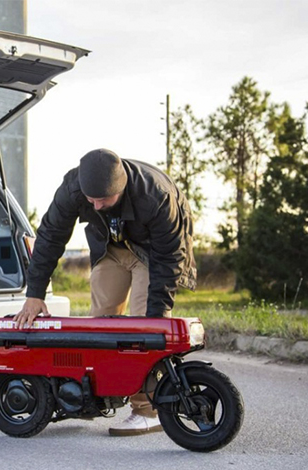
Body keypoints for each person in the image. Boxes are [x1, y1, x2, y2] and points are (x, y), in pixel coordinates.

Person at [15, 148, 196, 436]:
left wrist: (157, 316)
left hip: (153, 254)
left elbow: (169, 258)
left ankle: (148, 410)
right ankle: (94, 397)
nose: (97, 206)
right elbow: (50, 236)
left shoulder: (156, 195)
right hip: (113, 248)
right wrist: (34, 294)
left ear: (121, 188)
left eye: (104, 200)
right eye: (91, 200)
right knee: (99, 325)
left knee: (142, 327)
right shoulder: (74, 187)